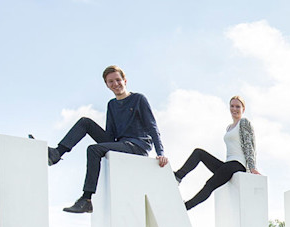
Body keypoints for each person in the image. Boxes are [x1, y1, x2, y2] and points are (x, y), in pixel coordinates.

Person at [42, 65, 169, 214]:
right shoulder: (112, 104)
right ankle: (57, 153)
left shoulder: (138, 99)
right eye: (111, 82)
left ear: (125, 80)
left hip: (137, 145)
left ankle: (86, 199)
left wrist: (160, 152)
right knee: (85, 122)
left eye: (118, 80)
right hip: (120, 143)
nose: (115, 84)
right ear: (107, 85)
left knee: (93, 149)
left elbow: (152, 127)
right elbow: (110, 133)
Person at [174, 95, 261, 210]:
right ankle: (178, 177)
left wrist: (253, 167)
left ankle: (185, 207)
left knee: (210, 184)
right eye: (232, 106)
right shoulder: (229, 128)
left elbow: (249, 146)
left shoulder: (244, 123)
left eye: (238, 107)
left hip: (238, 164)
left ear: (243, 109)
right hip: (228, 164)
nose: (234, 109)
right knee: (198, 153)